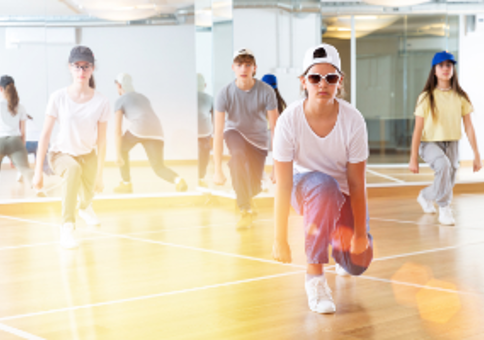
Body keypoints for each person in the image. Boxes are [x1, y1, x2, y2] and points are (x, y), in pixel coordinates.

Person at [272, 44, 373, 314]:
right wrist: (279, 238)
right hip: (304, 188)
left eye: (330, 78)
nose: (322, 84)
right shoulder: (288, 121)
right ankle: (315, 278)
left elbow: (356, 184)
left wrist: (360, 235)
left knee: (358, 263)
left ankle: (338, 247)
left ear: (339, 82)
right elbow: (282, 185)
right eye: (315, 77)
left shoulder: (353, 121)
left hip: (342, 195)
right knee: (324, 186)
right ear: (304, 82)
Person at [33, 46, 111, 249]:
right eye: (77, 67)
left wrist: (100, 174)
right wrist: (37, 172)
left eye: (86, 67)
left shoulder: (102, 101)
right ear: (70, 68)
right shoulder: (58, 97)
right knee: (73, 169)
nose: (81, 72)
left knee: (88, 194)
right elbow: (45, 135)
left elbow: (102, 141)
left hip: (88, 156)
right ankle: (67, 227)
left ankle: (85, 207)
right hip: (61, 154)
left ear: (92, 69)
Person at [409, 51, 482, 225]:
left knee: (448, 181)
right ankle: (444, 209)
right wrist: (413, 158)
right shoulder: (426, 97)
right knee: (443, 165)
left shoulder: (461, 97)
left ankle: (426, 196)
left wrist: (477, 155)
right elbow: (418, 128)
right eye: (441, 65)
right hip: (429, 144)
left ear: (453, 70)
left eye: (449, 65)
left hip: (453, 143)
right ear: (434, 70)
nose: (445, 68)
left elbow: (469, 127)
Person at [213, 48, 279, 228]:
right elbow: (218, 132)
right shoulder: (224, 93)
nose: (243, 68)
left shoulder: (266, 91)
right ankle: (245, 211)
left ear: (254, 68)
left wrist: (276, 167)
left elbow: (275, 128)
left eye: (247, 65)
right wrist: (217, 169)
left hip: (258, 140)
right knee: (237, 157)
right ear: (233, 67)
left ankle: (248, 199)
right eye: (239, 65)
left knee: (254, 186)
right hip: (235, 133)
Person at [113, 73, 187, 193]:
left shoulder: (120, 100)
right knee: (158, 167)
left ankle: (126, 184)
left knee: (121, 147)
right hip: (157, 131)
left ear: (119, 85)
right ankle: (178, 180)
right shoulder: (143, 97)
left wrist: (117, 154)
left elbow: (117, 130)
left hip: (140, 127)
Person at [0, 75, 45, 197]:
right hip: (16, 141)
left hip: (0, 140)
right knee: (25, 168)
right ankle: (38, 189)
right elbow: (23, 132)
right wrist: (20, 151)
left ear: (0, 89)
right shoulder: (20, 107)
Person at [16, 114, 54, 183]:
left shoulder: (20, 121)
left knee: (21, 158)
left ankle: (20, 174)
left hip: (27, 141)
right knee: (42, 162)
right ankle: (51, 173)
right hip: (41, 142)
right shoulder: (31, 122)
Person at [197, 73, 213, 187]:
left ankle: (200, 177)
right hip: (205, 132)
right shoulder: (210, 99)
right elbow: (215, 118)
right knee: (204, 155)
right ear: (205, 85)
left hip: (196, 132)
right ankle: (201, 177)